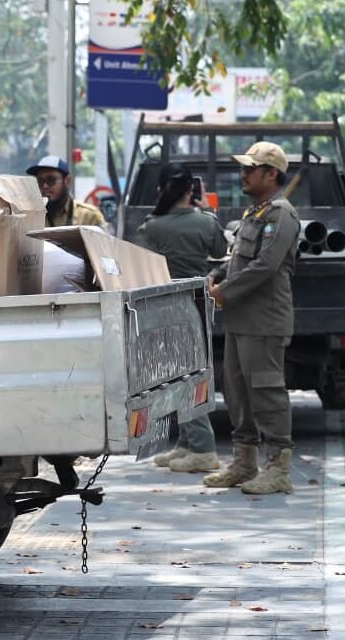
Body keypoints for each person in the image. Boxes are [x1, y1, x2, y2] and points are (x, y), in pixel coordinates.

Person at [204, 141, 299, 495]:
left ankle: (278, 469)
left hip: (265, 321)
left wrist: (225, 291)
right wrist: (219, 275)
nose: (243, 174)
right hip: (241, 320)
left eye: (250, 169)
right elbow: (242, 259)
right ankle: (245, 462)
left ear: (271, 173)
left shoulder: (281, 214)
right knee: (238, 393)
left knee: (267, 392)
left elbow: (266, 266)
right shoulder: (255, 213)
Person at [138, 165, 228, 474]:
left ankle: (202, 448)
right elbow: (220, 249)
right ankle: (189, 444)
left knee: (181, 377)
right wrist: (206, 211)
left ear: (161, 190)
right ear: (192, 190)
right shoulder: (206, 223)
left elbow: (143, 262)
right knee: (190, 374)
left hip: (164, 304)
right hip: (198, 303)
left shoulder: (152, 226)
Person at [25, 156, 107, 228]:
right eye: (40, 181)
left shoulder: (90, 216)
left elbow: (105, 245)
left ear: (67, 181)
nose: (45, 186)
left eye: (51, 180)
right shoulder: (31, 218)